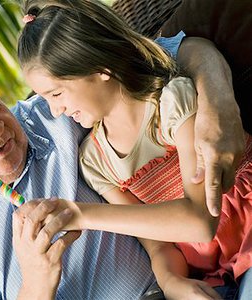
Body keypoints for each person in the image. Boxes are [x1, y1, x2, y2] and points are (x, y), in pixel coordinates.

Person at [17, 0, 251, 299]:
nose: (55, 109)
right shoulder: (95, 161)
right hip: (216, 272)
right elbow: (158, 245)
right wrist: (172, 282)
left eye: (56, 93)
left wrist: (80, 215)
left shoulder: (171, 103)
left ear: (100, 68)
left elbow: (201, 220)